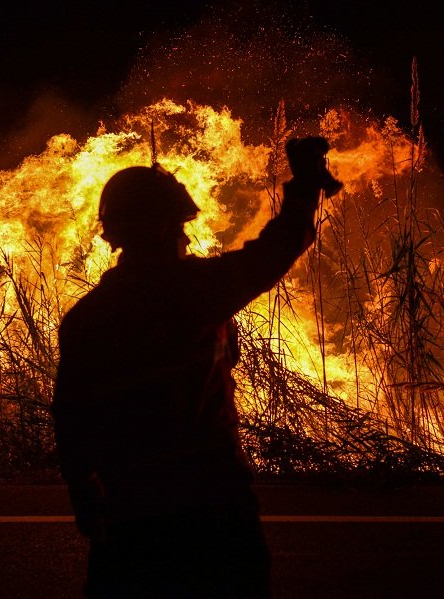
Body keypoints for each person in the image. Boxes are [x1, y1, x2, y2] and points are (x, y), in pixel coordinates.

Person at [52, 137, 341, 597]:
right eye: (181, 226)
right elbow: (278, 248)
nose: (187, 237)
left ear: (113, 233)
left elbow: (72, 420)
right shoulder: (199, 290)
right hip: (213, 508)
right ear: (167, 228)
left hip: (131, 516)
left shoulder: (86, 318)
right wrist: (305, 187)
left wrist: (85, 498)